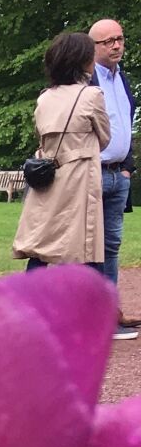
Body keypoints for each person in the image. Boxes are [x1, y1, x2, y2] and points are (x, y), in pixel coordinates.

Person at [14, 30, 110, 274]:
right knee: (85, 246)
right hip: (79, 181)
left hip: (48, 177)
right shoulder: (91, 95)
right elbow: (105, 138)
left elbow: (41, 136)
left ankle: (31, 301)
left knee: (42, 243)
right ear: (83, 61)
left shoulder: (45, 98)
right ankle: (90, 306)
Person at [90, 17, 135, 337]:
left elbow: (124, 124)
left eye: (119, 39)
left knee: (112, 246)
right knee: (87, 246)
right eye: (108, 41)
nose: (116, 45)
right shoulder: (83, 79)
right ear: (93, 47)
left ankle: (109, 314)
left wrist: (128, 167)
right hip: (91, 173)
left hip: (118, 175)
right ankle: (89, 317)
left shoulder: (124, 80)